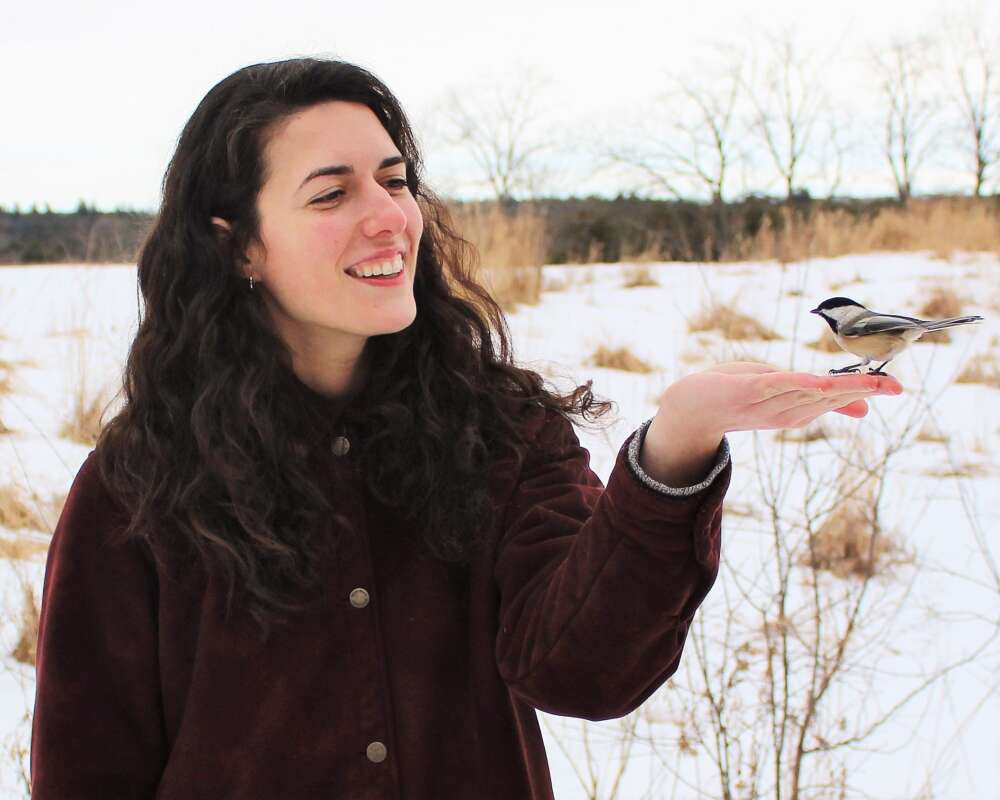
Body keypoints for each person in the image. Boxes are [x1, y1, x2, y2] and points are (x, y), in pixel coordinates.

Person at [29, 57, 903, 799]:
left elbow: (583, 669)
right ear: (237, 247)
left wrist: (676, 448)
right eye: (332, 192)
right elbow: (86, 768)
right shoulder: (139, 487)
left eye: (396, 179)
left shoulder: (499, 435)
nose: (390, 216)